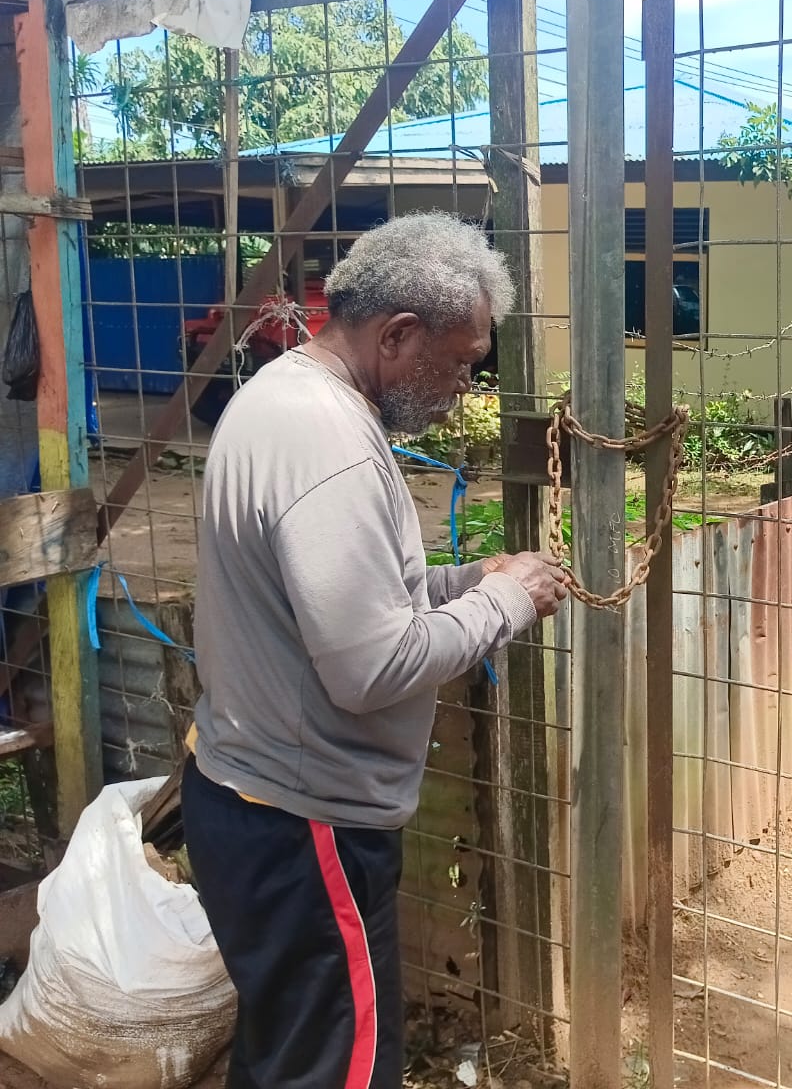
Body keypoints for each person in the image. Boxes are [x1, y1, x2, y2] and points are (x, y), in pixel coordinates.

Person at [181, 213, 567, 1089]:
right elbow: (368, 668)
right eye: (463, 362)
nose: (466, 386)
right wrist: (507, 601)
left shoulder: (286, 395)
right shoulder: (333, 448)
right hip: (305, 823)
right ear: (397, 335)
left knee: (290, 1053)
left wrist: (466, 580)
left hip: (256, 798)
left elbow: (344, 606)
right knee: (335, 1070)